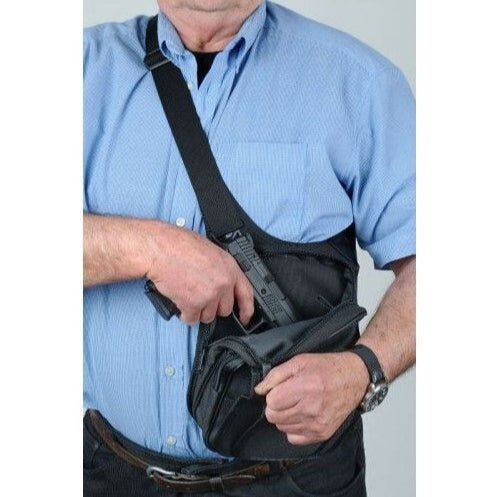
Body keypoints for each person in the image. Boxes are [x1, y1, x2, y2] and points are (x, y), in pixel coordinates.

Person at [83, 1, 416, 495]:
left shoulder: (358, 83)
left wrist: (363, 369)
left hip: (293, 480)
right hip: (109, 472)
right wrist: (152, 249)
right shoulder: (82, 70)